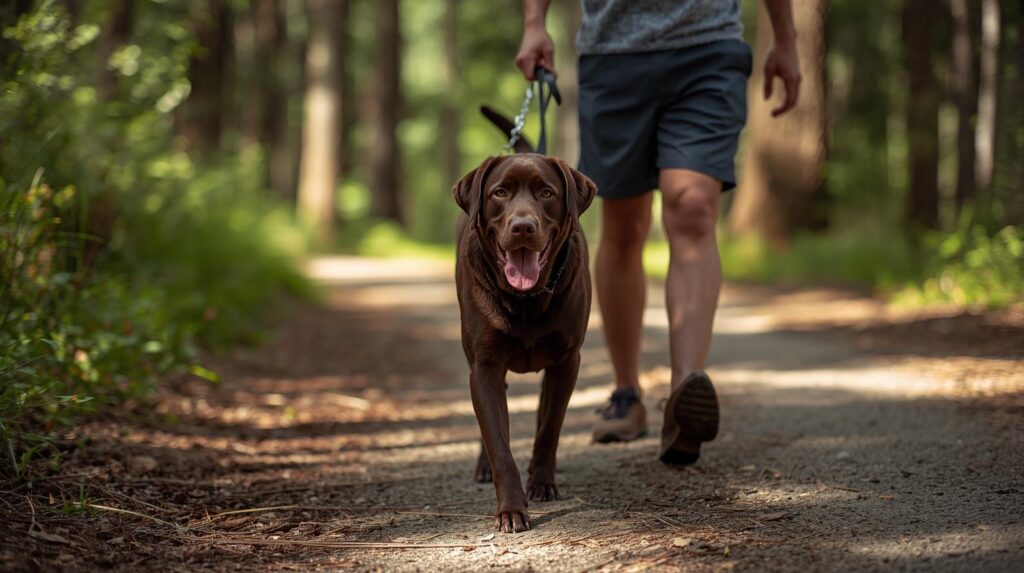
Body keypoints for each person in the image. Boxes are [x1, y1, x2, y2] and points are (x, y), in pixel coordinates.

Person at [515, 0, 801, 464]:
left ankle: (684, 394)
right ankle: (626, 392)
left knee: (692, 209)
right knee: (624, 224)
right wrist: (534, 23)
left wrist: (786, 37)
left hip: (708, 48)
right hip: (613, 54)